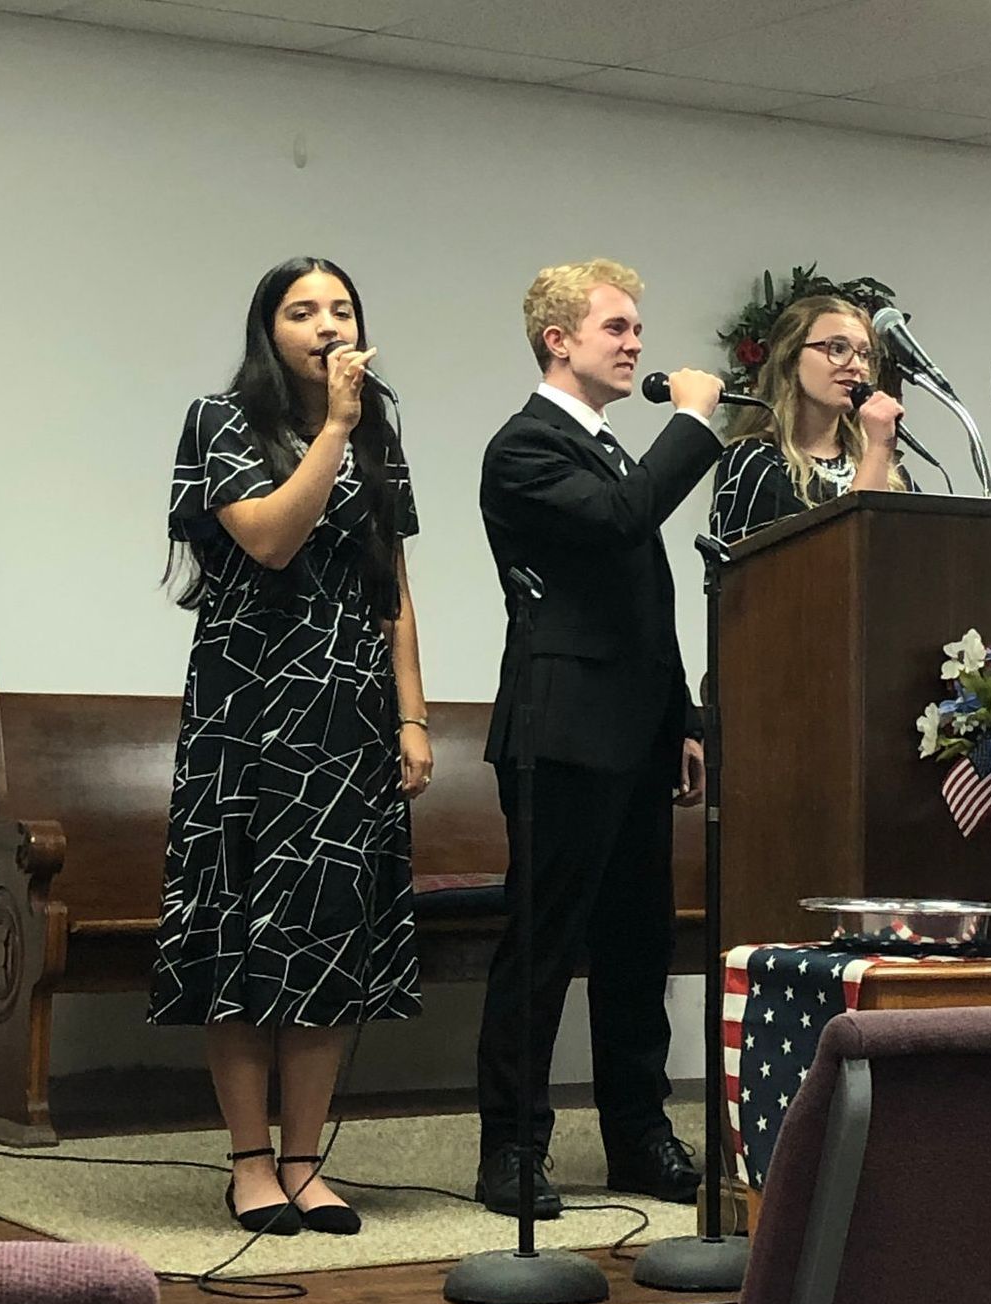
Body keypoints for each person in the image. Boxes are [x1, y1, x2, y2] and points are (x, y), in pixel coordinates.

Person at [152, 257, 432, 1236]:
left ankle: (307, 1161)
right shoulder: (221, 419)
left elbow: (389, 583)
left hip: (346, 720)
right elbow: (269, 538)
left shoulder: (379, 433)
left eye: (341, 307)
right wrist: (336, 432)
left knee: (324, 937)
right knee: (242, 938)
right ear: (266, 328)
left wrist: (411, 714)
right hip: (250, 713)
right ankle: (248, 1160)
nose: (325, 323)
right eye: (301, 309)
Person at [474, 258, 723, 1216]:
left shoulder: (613, 448)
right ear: (558, 340)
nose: (634, 346)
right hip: (562, 731)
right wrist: (695, 423)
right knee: (543, 941)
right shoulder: (526, 446)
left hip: (637, 731)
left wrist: (684, 721)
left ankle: (637, 1134)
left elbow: (641, 602)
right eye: (616, 329)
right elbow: (624, 524)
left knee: (637, 944)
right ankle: (513, 1147)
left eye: (634, 331)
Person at [708, 295, 909, 544]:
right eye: (837, 348)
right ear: (791, 358)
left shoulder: (883, 467)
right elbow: (844, 555)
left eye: (865, 354)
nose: (857, 365)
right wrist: (879, 448)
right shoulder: (754, 462)